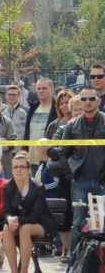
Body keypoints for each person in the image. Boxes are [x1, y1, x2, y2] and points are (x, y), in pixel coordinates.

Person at [48, 86, 105, 257]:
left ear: (99, 101)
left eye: (91, 99)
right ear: (79, 101)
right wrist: (71, 173)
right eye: (84, 99)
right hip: (80, 181)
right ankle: (74, 261)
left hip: (103, 180)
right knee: (77, 223)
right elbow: (64, 152)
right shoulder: (72, 125)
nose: (87, 102)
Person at [2, 152, 56, 273]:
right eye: (15, 167)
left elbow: (34, 216)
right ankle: (14, 271)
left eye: (22, 167)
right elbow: (7, 211)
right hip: (18, 222)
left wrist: (17, 220)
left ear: (29, 170)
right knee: (6, 228)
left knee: (25, 228)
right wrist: (9, 218)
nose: (19, 169)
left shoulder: (38, 187)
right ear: (12, 169)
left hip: (41, 223)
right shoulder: (7, 187)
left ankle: (24, 271)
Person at [23, 77, 56, 170]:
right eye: (38, 88)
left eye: (44, 88)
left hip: (49, 160)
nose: (41, 91)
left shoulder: (58, 109)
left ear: (52, 89)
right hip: (31, 160)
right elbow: (27, 134)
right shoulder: (32, 108)